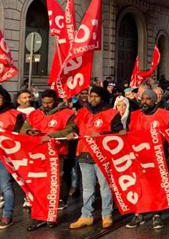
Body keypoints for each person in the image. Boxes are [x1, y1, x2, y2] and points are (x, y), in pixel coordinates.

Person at [69, 87, 122, 230]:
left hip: (102, 155)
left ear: (102, 98)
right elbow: (75, 128)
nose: (92, 99)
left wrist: (103, 134)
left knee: (105, 187)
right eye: (91, 96)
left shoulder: (112, 113)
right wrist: (72, 134)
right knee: (87, 189)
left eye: (96, 96)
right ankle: (86, 216)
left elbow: (119, 133)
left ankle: (107, 214)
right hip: (84, 153)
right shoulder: (82, 112)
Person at [21, 88, 76, 218]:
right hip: (38, 151)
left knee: (56, 176)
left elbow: (71, 129)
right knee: (38, 176)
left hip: (57, 150)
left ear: (55, 101)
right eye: (44, 103)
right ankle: (39, 199)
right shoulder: (35, 114)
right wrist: (30, 132)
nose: (46, 105)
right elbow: (23, 130)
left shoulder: (67, 113)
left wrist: (50, 135)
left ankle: (60, 199)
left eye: (49, 103)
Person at [126, 88, 169, 230]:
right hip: (139, 158)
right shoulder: (134, 115)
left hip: (158, 157)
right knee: (139, 186)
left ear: (155, 101)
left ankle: (157, 214)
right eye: (143, 99)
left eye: (148, 99)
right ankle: (139, 213)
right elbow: (129, 134)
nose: (145, 102)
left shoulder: (165, 115)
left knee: (157, 186)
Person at [0, 86, 24, 229]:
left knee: (6, 186)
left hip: (5, 156)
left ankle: (7, 215)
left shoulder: (14, 114)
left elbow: (18, 136)